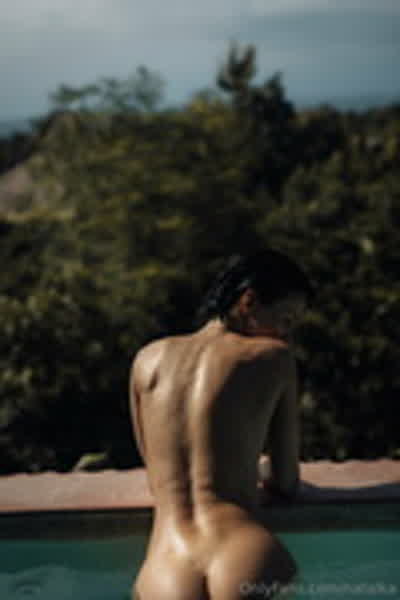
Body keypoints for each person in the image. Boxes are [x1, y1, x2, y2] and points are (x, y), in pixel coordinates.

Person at [129, 249, 313, 600]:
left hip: (165, 569)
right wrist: (258, 470)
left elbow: (155, 472)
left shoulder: (146, 359)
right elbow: (286, 481)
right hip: (244, 553)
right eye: (286, 319)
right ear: (249, 301)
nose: (286, 334)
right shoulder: (273, 357)